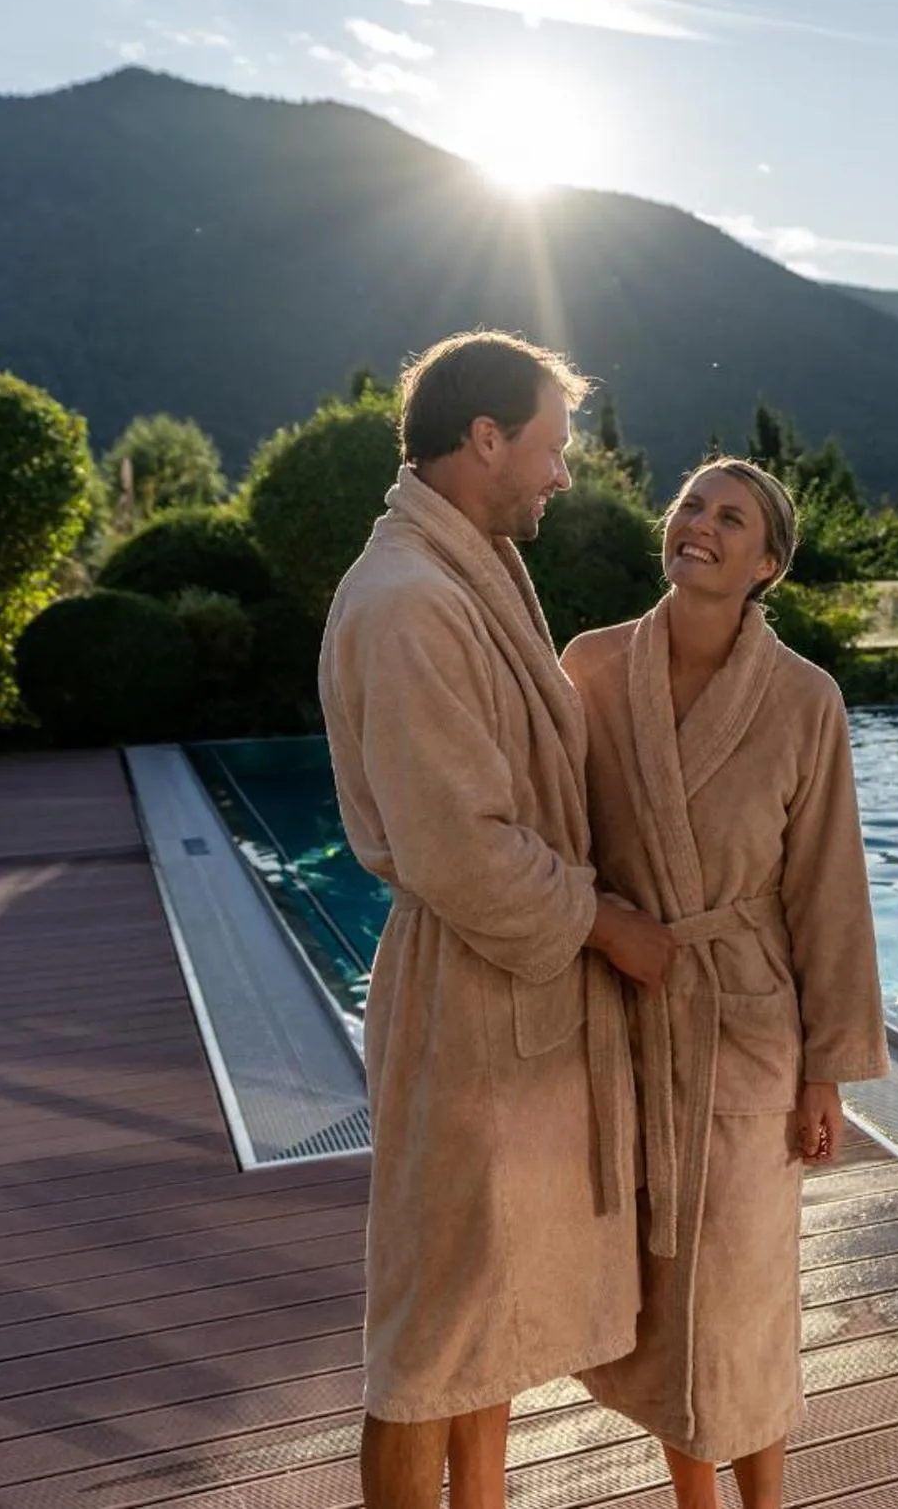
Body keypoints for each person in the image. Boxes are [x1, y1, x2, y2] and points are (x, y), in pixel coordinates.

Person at [318, 330, 676, 1509]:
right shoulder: (412, 599)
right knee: (428, 1337)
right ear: (483, 439)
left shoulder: (460, 566)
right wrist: (606, 923)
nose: (561, 475)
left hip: (511, 1002)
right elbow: (456, 846)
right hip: (470, 1001)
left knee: (490, 1314)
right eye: (549, 448)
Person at [563, 459, 889, 1509]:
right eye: (691, 504)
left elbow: (828, 892)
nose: (698, 523)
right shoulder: (593, 666)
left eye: (729, 516)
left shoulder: (803, 700)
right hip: (620, 1013)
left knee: (740, 1291)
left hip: (747, 1026)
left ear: (768, 564)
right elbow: (554, 842)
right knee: (659, 1300)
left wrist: (826, 1073)